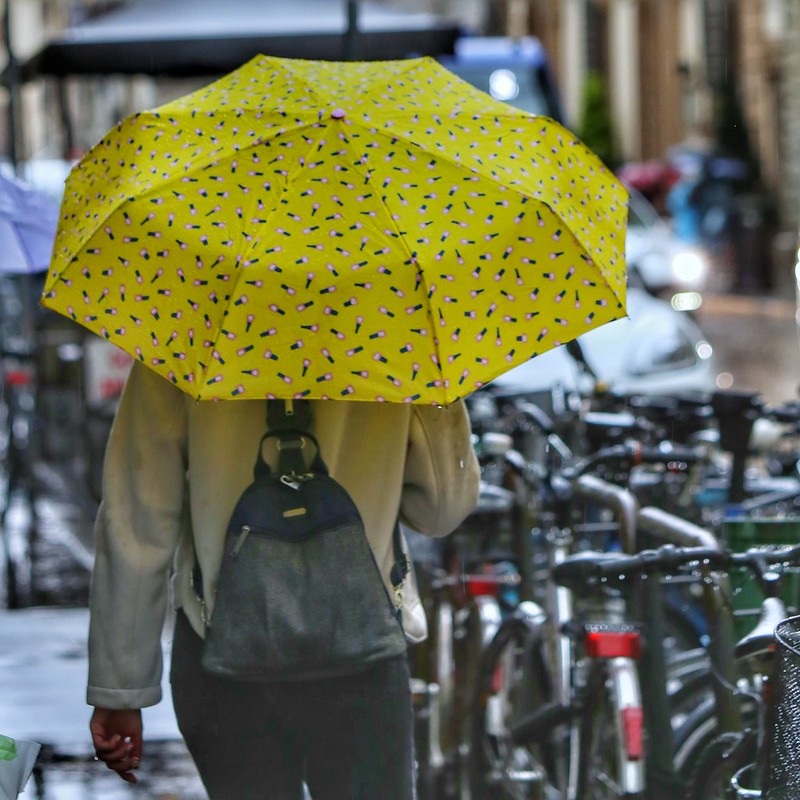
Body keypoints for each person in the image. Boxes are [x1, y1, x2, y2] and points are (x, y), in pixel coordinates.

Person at [88, 361, 480, 799]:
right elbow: (442, 510)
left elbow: (137, 524)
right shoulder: (399, 324)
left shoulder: (182, 321)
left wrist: (121, 688)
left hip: (220, 653)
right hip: (363, 650)